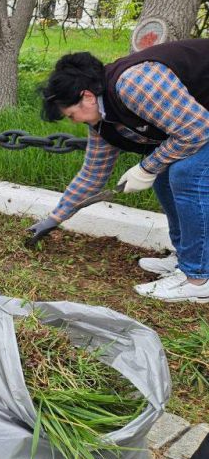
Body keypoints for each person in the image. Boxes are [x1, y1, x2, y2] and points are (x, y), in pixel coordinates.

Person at [29, 41, 209, 302]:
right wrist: (54, 218)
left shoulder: (133, 84)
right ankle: (187, 258)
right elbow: (92, 175)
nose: (74, 121)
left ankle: (198, 278)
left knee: (187, 174)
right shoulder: (102, 121)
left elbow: (197, 131)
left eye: (71, 115)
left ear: (87, 96)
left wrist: (146, 168)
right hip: (200, 122)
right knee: (164, 175)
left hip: (202, 124)